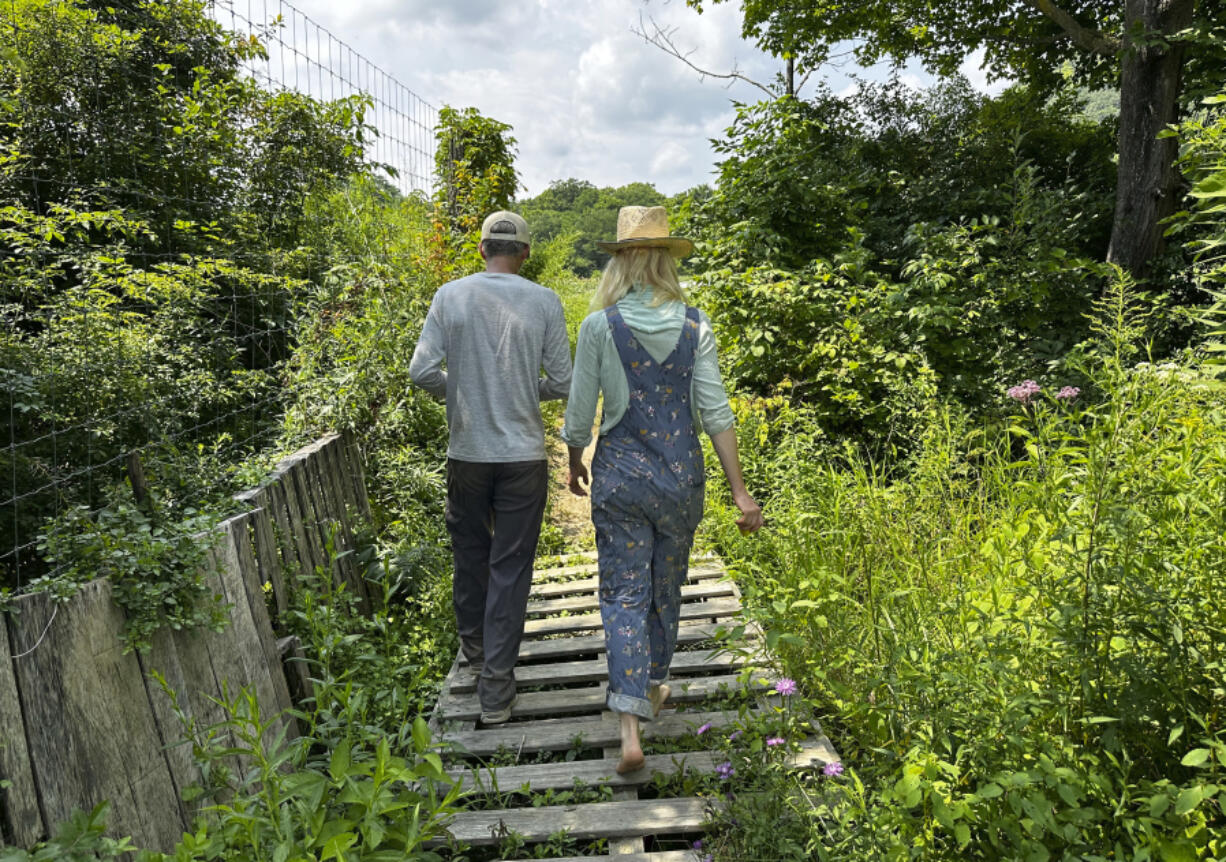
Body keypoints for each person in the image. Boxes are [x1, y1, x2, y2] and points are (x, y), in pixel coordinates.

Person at [562, 205, 763, 773]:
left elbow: (581, 411)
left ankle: (630, 727)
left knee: (623, 591)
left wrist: (574, 460)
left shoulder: (600, 326)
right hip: (680, 479)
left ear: (622, 262)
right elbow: (715, 412)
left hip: (621, 478)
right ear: (666, 260)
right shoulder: (695, 325)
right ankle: (651, 686)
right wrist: (740, 492)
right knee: (665, 585)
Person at [409, 210, 572, 725]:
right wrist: (526, 390)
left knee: (469, 556)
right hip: (523, 456)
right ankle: (497, 689)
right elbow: (564, 382)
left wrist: (458, 393)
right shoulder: (544, 300)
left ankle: (477, 657)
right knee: (511, 565)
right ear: (525, 252)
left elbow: (421, 372)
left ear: (481, 249)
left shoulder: (449, 296)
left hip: (467, 455)